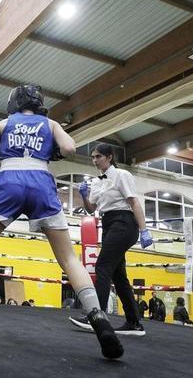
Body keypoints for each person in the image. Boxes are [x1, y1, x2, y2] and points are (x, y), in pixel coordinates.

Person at [0, 85, 123, 360]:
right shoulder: (50, 123)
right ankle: (99, 319)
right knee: (69, 259)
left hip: (8, 181)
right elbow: (69, 147)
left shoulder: (4, 124)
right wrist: (49, 151)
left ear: (14, 102)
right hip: (41, 183)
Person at [76, 143, 150, 337]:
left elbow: (134, 202)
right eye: (93, 157)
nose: (94, 160)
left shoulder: (122, 175)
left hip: (124, 223)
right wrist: (84, 195)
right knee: (118, 275)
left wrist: (144, 230)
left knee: (102, 267)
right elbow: (91, 209)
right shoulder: (96, 182)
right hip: (108, 224)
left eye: (98, 156)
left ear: (109, 157)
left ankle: (96, 317)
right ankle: (134, 323)